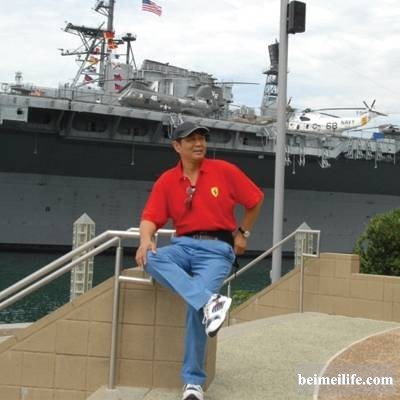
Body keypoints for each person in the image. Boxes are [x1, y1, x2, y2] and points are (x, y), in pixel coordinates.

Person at [135, 121, 264, 400]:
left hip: (217, 248)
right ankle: (209, 302)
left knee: (196, 310)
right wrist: (146, 239)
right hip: (182, 245)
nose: (199, 143)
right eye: (191, 139)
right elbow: (150, 218)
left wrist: (243, 233)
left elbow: (255, 199)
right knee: (149, 258)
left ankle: (193, 382)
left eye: (202, 138)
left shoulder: (225, 171)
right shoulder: (167, 180)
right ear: (177, 146)